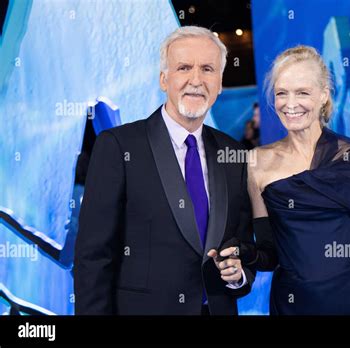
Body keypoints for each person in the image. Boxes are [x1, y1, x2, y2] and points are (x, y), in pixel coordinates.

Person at [74, 26, 255, 315]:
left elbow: (242, 247)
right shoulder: (119, 146)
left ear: (220, 82)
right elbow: (93, 257)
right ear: (164, 79)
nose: (196, 80)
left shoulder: (233, 153)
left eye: (207, 69)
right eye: (184, 67)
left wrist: (239, 275)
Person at [244, 45, 350, 315]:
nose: (290, 104)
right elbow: (269, 253)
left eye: (302, 92)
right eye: (282, 93)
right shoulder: (256, 163)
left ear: (323, 96)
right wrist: (246, 256)